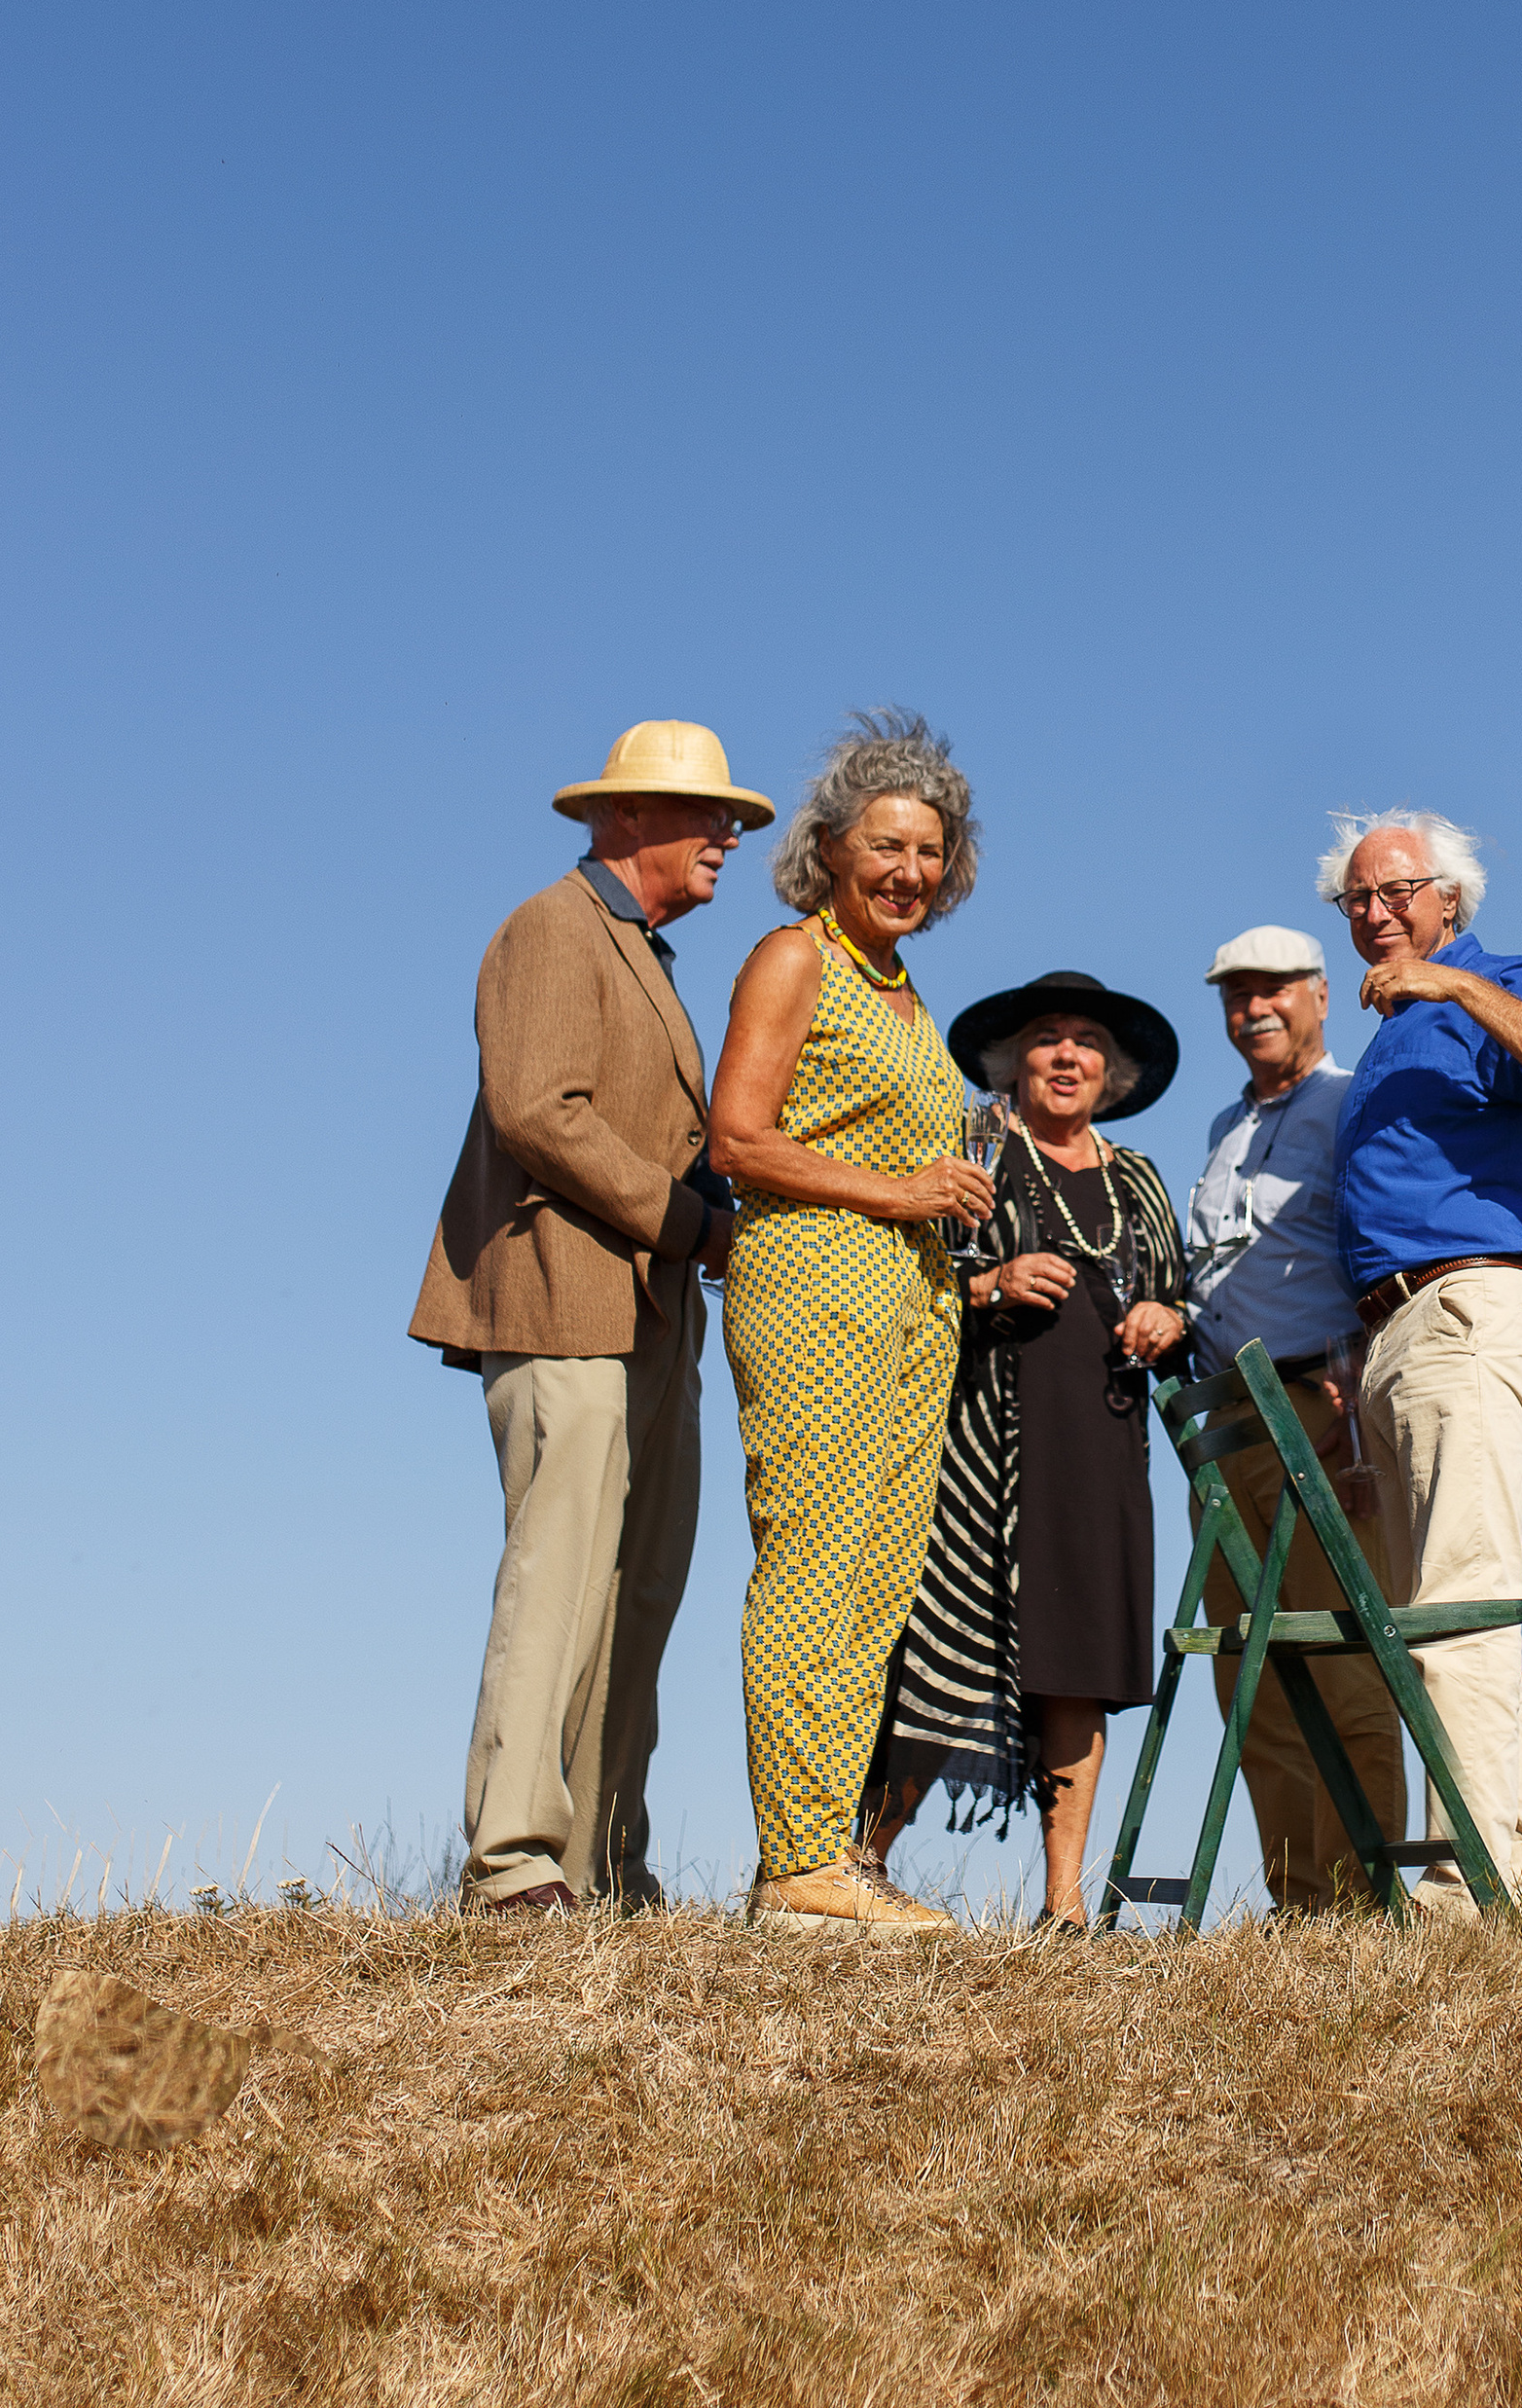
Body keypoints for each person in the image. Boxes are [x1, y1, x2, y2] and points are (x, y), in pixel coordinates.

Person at [411, 716, 773, 1915]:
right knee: (560, 1576)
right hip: (563, 1296)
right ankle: (512, 1865)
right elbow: (538, 1112)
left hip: (654, 1315)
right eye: (706, 814)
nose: (727, 836)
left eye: (732, 819)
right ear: (622, 817)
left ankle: (602, 1862)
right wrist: (689, 1223)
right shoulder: (551, 927)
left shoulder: (646, 955)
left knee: (640, 1589)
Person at [707, 711, 997, 1938]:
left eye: (931, 854)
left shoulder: (905, 990)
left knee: (878, 1581)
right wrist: (904, 1190)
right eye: (887, 846)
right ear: (829, 848)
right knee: (812, 1568)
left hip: (913, 1304)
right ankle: (796, 1864)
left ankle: (834, 1854)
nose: (910, 873)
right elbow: (737, 1140)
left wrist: (950, 1200)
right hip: (814, 1285)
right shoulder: (794, 958)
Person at [1324, 810, 1522, 1921]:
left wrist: (1449, 989)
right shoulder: (1387, 1037)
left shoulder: (1496, 980)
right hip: (1397, 1333)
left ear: (1450, 898)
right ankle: (1512, 1881)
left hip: (1466, 1307)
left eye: (1396, 891)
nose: (1376, 913)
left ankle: (1477, 1896)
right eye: (1356, 899)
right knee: (1431, 1618)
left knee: (1458, 1605)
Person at [861, 973, 1187, 1930]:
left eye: (1086, 1041)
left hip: (1103, 1440)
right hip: (978, 1445)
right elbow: (902, 1279)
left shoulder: (1137, 1178)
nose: (1066, 1055)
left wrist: (1169, 1315)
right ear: (1012, 1063)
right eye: (1046, 1038)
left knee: (1079, 1663)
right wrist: (988, 1283)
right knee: (939, 1649)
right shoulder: (971, 1149)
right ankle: (856, 1865)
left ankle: (1064, 1905)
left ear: (1112, 1074)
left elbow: (1178, 1294)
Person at [1180, 927, 1407, 1914]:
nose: (1254, 1009)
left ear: (1320, 996)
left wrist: (1361, 1417)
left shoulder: (1350, 1101)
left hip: (1320, 1409)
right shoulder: (1224, 1128)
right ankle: (1299, 1903)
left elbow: (1378, 1252)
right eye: (1236, 995)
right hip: (1223, 1425)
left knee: (1341, 1661)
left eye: (1274, 989)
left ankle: (1364, 1903)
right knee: (1251, 1672)